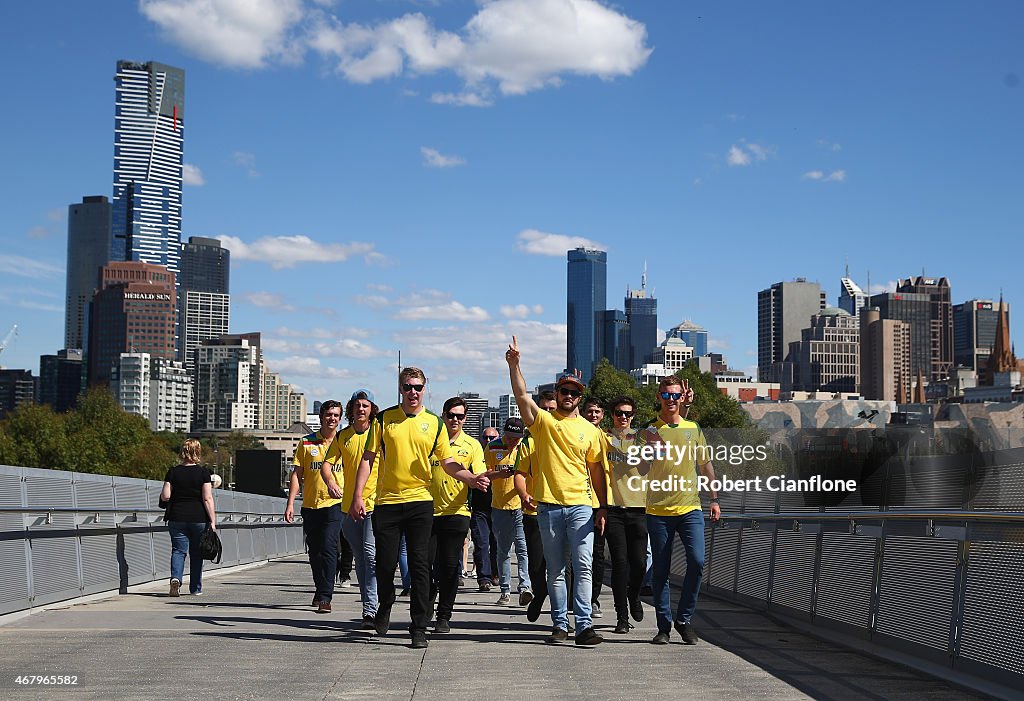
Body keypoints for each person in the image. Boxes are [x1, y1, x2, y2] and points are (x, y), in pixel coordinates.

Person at [349, 368, 490, 649]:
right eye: (407, 387)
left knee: (420, 565)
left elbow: (448, 462)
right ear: (400, 388)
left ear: (424, 389)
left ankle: (419, 627)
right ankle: (385, 602)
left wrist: (471, 477)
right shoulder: (384, 419)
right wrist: (357, 496)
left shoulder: (435, 423)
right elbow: (367, 459)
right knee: (385, 564)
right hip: (388, 502)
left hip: (420, 502)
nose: (412, 392)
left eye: (417, 387)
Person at [506, 337, 607, 646]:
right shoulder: (544, 423)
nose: (569, 396)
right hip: (548, 506)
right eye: (564, 391)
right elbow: (522, 395)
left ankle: (584, 625)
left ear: (580, 398)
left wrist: (603, 507)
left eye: (574, 393)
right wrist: (514, 365)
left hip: (581, 506)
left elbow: (597, 472)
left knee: (584, 565)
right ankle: (560, 624)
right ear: (557, 393)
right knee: (557, 570)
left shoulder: (592, 432)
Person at [643, 376, 721, 645]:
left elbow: (705, 465)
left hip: (690, 508)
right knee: (660, 572)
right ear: (658, 398)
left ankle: (684, 619)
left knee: (697, 562)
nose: (671, 400)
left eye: (675, 395)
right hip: (658, 511)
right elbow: (639, 470)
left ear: (680, 398)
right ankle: (664, 627)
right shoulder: (649, 431)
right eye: (666, 395)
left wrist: (714, 498)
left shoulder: (692, 428)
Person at [427, 397, 486, 633]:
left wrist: (484, 479)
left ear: (465, 419)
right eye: (451, 415)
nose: (455, 420)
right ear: (443, 416)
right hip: (425, 511)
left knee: (450, 566)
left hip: (457, 512)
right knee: (425, 565)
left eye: (459, 416)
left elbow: (479, 474)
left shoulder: (472, 445)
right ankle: (426, 603)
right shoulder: (429, 441)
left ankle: (444, 615)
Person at [323, 389, 380, 629]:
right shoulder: (343, 436)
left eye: (365, 406)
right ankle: (369, 607)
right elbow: (327, 463)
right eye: (357, 406)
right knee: (360, 558)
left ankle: (372, 608)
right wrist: (331, 481)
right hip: (348, 507)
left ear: (371, 410)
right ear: (351, 410)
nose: (361, 409)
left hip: (373, 504)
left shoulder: (378, 434)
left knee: (370, 555)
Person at [286, 399, 344, 613]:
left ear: (340, 419)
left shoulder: (343, 442)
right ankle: (320, 589)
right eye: (329, 414)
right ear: (321, 417)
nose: (332, 419)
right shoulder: (307, 442)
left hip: (335, 504)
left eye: (336, 415)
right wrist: (291, 502)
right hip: (310, 505)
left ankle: (326, 596)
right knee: (315, 552)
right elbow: (297, 475)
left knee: (329, 547)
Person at [601, 395, 648, 634]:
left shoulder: (642, 438)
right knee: (620, 563)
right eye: (619, 413)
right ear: (612, 415)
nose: (623, 417)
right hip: (614, 509)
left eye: (628, 413)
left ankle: (634, 595)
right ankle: (622, 617)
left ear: (633, 416)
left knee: (639, 564)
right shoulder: (604, 439)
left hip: (639, 508)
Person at [514, 391, 556, 622]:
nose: (547, 413)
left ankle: (562, 614)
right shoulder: (528, 441)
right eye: (544, 409)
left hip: (563, 510)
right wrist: (523, 494)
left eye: (552, 409)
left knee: (563, 567)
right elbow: (519, 473)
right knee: (537, 565)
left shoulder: (564, 435)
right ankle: (539, 595)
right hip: (534, 512)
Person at [161, 438, 217, 597]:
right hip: (199, 518)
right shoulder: (203, 473)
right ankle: (195, 588)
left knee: (178, 551)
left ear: (182, 452)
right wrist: (212, 521)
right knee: (197, 553)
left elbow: (166, 496)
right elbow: (207, 498)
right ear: (197, 452)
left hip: (176, 517)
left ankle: (175, 579)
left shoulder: (173, 472)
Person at [486, 417, 531, 606]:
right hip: (500, 505)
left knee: (523, 549)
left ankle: (525, 587)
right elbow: (485, 473)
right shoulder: (492, 447)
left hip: (521, 505)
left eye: (517, 438)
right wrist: (500, 474)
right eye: (510, 437)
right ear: (504, 433)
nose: (513, 441)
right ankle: (505, 590)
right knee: (503, 550)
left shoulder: (525, 446)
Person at [581, 398, 608, 619]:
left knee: (597, 554)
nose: (593, 415)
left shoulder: (608, 438)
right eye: (590, 411)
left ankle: (593, 599)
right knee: (578, 555)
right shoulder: (576, 433)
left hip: (600, 503)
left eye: (598, 411)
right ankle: (577, 598)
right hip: (579, 501)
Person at [470, 427, 500, 592]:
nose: (489, 441)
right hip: (479, 506)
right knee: (481, 542)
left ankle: (496, 573)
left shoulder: (502, 454)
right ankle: (484, 578)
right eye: (486, 437)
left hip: (498, 506)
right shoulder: (476, 454)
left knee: (497, 543)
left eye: (492, 437)